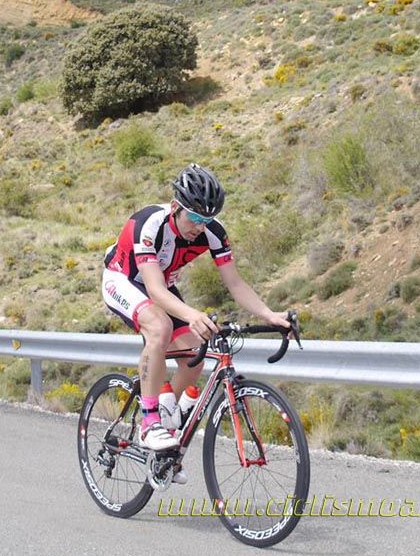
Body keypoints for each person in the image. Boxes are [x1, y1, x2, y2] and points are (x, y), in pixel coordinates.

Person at [101, 163, 291, 453]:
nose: (199, 226)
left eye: (207, 219)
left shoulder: (212, 232)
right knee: (159, 328)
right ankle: (150, 422)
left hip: (161, 285)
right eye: (194, 218)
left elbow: (235, 284)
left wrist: (269, 314)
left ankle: (164, 425)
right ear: (176, 207)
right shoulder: (149, 224)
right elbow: (154, 290)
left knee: (195, 358)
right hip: (124, 279)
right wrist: (192, 315)